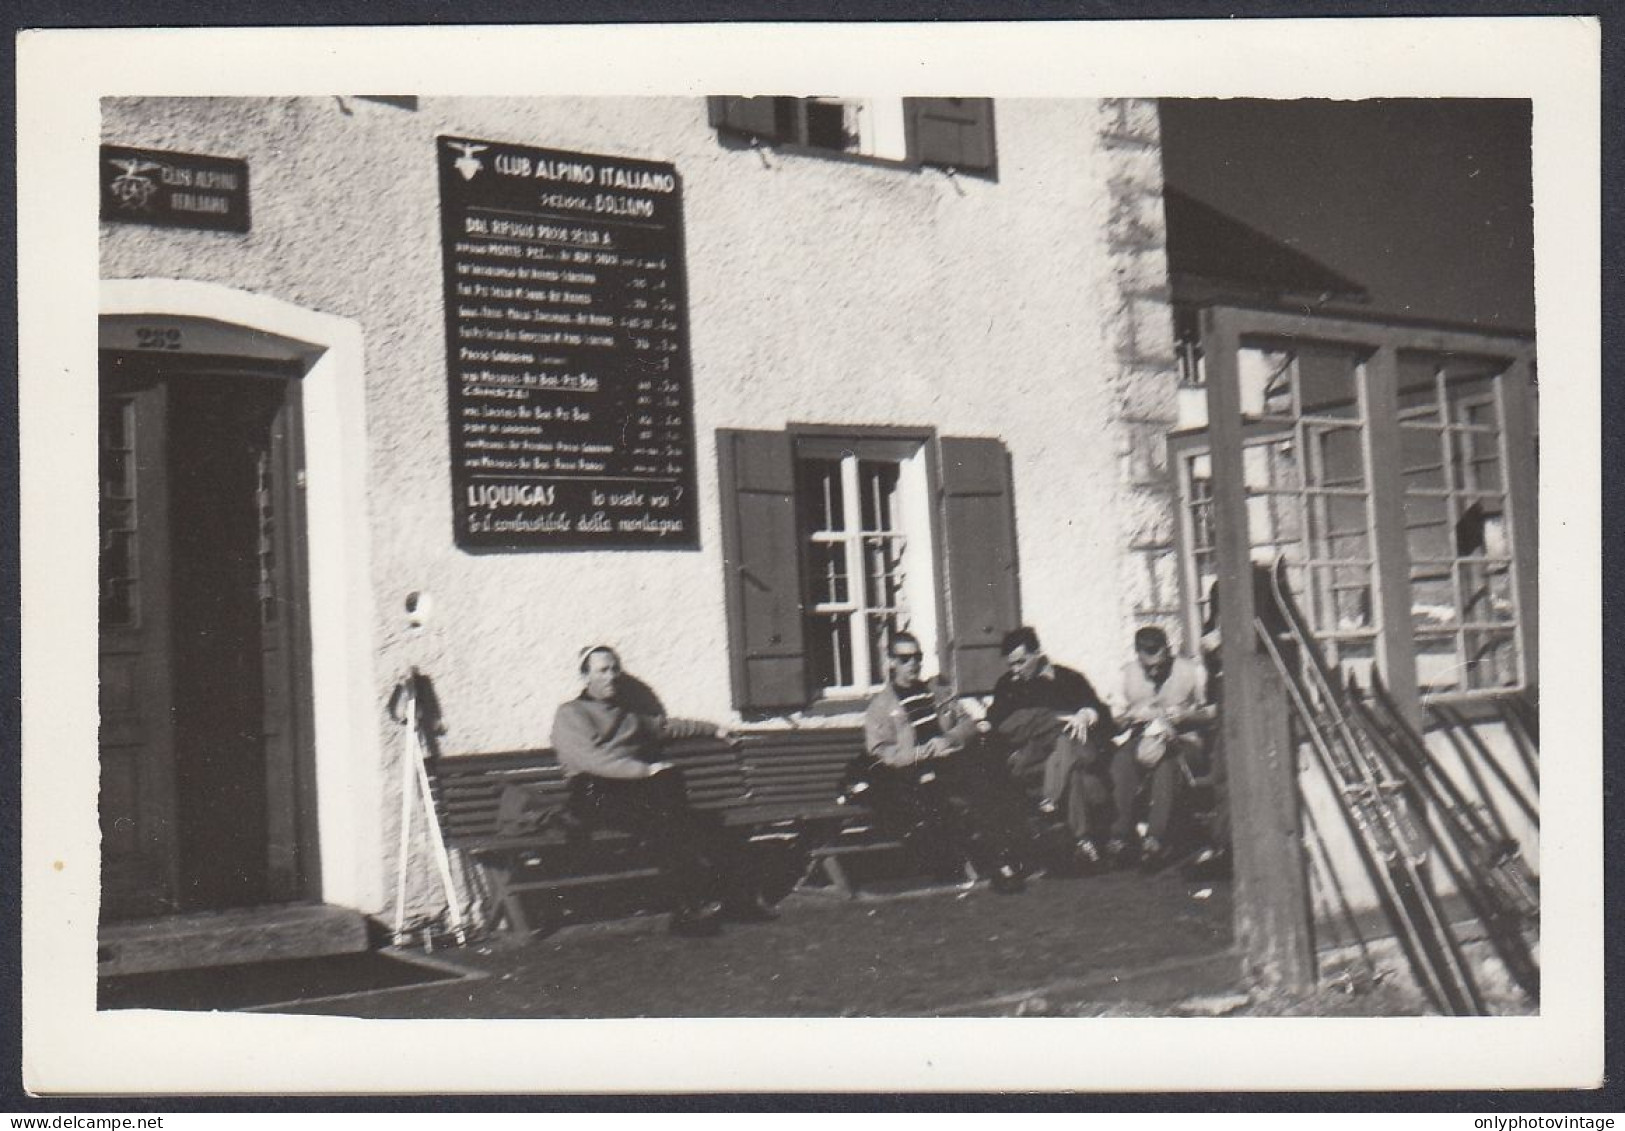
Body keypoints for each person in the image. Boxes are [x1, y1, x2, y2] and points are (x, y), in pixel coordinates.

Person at [549, 645, 772, 936]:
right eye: (603, 670)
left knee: (670, 820)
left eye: (615, 668)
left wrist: (714, 730)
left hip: (632, 793)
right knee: (674, 816)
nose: (612, 676)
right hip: (592, 792)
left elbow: (665, 727)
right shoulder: (571, 713)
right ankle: (716, 904)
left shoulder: (627, 713)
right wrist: (644, 770)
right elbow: (591, 761)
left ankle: (690, 909)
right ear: (585, 676)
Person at [862, 632, 1028, 894]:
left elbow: (968, 724)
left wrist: (947, 739)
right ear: (891, 661)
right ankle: (999, 865)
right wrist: (925, 753)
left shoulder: (937, 693)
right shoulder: (881, 707)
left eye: (917, 657)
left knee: (988, 782)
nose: (913, 664)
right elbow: (884, 754)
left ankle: (1005, 860)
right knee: (964, 790)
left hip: (951, 762)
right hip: (916, 774)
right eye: (905, 658)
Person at [983, 626, 1115, 871]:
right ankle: (1083, 841)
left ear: (1038, 654)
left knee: (1069, 752)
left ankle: (1073, 829)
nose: (1016, 670)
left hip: (1071, 754)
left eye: (1021, 662)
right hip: (1031, 759)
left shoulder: (1069, 679)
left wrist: (1086, 715)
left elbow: (1103, 716)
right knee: (1067, 756)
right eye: (1011, 664)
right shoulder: (1008, 686)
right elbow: (998, 724)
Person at [1108, 625, 1217, 871]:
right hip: (1142, 738)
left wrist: (1187, 715)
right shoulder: (1126, 674)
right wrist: (1133, 715)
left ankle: (1155, 840)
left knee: (1166, 763)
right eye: (1149, 667)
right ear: (1138, 656)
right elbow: (1116, 721)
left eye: (1161, 663)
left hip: (1184, 740)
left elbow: (1212, 712)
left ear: (1168, 651)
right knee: (1122, 760)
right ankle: (1120, 837)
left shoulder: (1193, 671)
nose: (1156, 670)